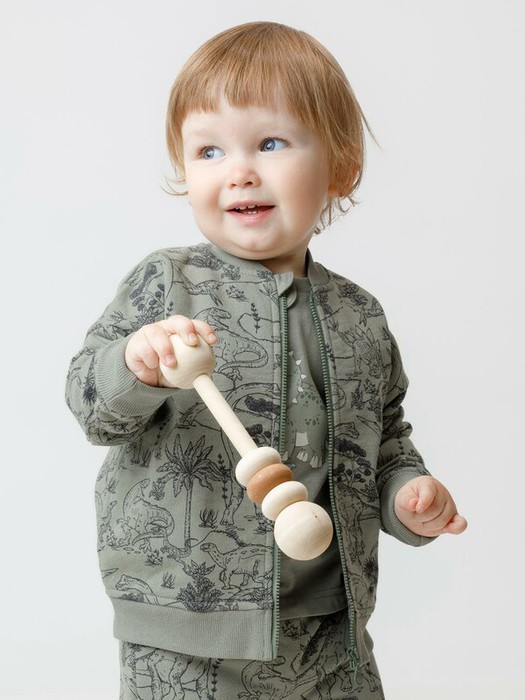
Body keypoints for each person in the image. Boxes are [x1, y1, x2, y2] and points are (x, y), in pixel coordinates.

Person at [66, 21, 467, 699]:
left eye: (270, 143)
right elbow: (90, 405)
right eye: (209, 150)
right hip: (186, 636)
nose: (239, 170)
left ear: (341, 167)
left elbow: (385, 442)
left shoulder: (359, 316)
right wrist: (134, 365)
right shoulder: (167, 285)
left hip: (330, 630)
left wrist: (408, 497)